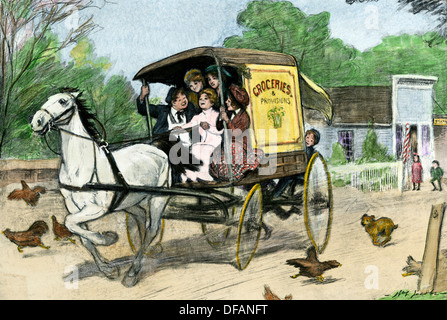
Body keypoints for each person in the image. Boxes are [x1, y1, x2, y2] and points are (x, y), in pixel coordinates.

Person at [210, 84, 264, 182]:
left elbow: (236, 133)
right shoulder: (229, 113)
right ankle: (223, 175)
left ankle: (235, 174)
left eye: (229, 101)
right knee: (216, 154)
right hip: (229, 144)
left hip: (240, 146)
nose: (226, 102)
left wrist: (227, 120)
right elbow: (219, 127)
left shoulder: (244, 116)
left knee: (231, 149)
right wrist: (221, 116)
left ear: (236, 103)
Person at [177, 88, 222, 182]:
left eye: (205, 98)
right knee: (193, 149)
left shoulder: (217, 115)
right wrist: (180, 128)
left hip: (215, 142)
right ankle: (191, 177)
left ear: (212, 102)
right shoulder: (197, 117)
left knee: (205, 151)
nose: (202, 100)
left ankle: (205, 177)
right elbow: (189, 125)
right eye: (200, 99)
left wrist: (209, 127)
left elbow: (221, 131)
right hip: (203, 143)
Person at [270, 128, 321, 199]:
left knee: (287, 176)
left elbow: (306, 165)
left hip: (304, 174)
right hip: (300, 171)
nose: (308, 140)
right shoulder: (303, 149)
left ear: (314, 142)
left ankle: (275, 195)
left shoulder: (310, 151)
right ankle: (278, 192)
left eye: (311, 140)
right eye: (307, 137)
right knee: (285, 175)